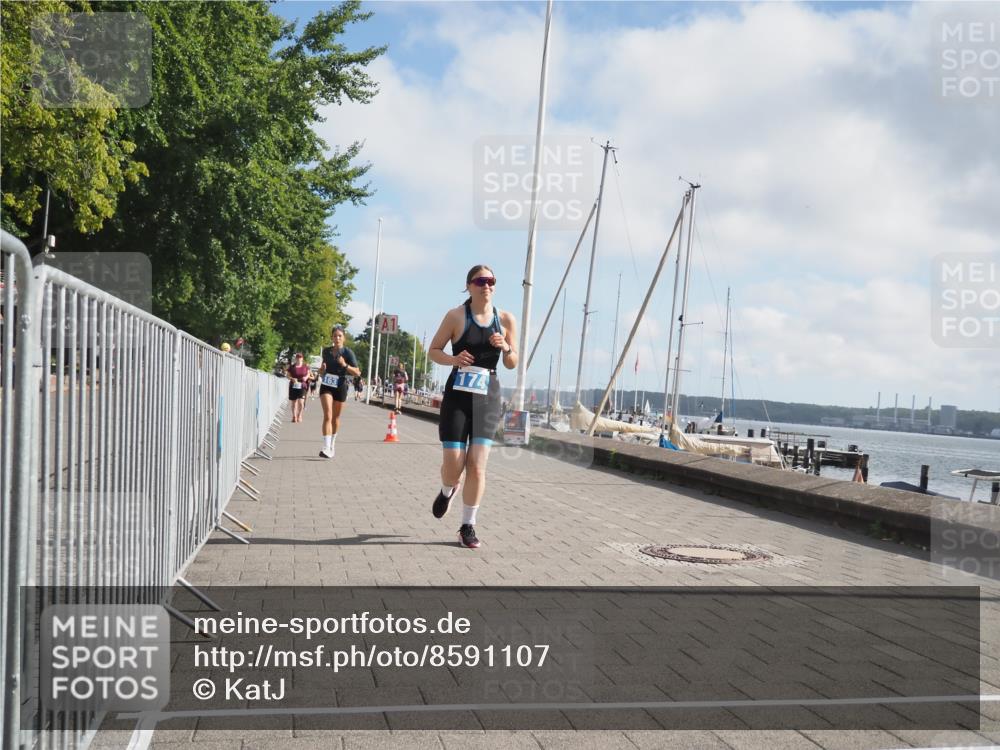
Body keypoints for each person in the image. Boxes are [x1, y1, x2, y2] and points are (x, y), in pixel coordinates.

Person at [427, 264, 517, 549]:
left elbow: (512, 363)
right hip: (458, 396)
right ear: (469, 285)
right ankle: (447, 489)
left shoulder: (505, 319)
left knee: (477, 466)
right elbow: (433, 351)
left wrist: (506, 348)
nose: (486, 285)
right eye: (481, 280)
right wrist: (453, 360)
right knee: (453, 467)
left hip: (488, 396)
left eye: (491, 280)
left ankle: (468, 525)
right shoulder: (455, 316)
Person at [317, 325, 361, 458]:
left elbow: (357, 372)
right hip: (326, 385)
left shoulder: (348, 353)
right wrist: (322, 370)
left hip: (340, 386)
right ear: (332, 337)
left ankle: (332, 444)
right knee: (328, 415)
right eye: (335, 336)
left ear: (344, 338)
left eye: (339, 336)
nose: (337, 338)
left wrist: (345, 365)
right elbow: (321, 371)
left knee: (335, 418)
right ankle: (326, 447)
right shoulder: (326, 352)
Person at [286, 352, 311, 423]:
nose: (299, 359)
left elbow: (308, 373)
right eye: (297, 357)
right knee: (294, 402)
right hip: (294, 385)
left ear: (302, 359)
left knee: (301, 402)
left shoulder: (305, 366)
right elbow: (287, 375)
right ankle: (294, 416)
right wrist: (292, 378)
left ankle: (299, 415)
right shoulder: (292, 367)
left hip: (302, 385)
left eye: (300, 357)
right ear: (295, 359)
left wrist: (305, 377)